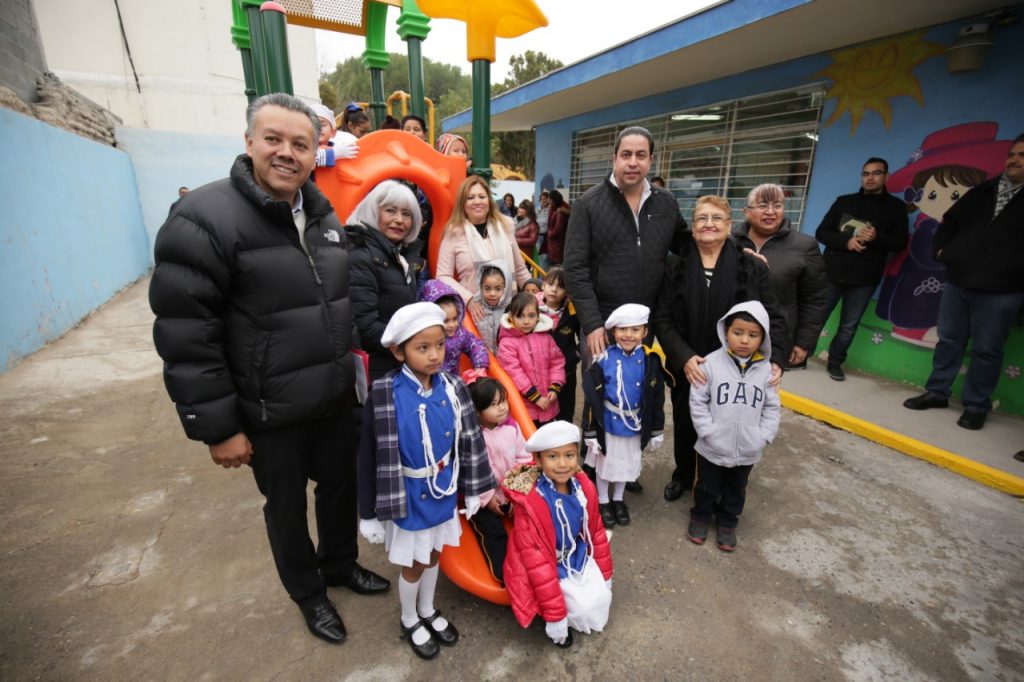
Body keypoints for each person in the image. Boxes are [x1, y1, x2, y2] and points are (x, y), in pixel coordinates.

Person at [149, 93, 389, 645]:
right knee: (285, 509)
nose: (286, 153)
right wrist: (219, 427)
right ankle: (309, 593)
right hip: (268, 409)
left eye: (300, 144)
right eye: (273, 139)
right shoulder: (203, 218)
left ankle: (339, 564)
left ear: (315, 151)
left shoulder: (323, 214)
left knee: (340, 490)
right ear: (249, 142)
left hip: (332, 398)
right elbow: (187, 333)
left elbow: (337, 307)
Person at [357, 302, 494, 660]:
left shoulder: (453, 386)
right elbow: (369, 455)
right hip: (409, 495)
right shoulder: (384, 394)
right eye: (422, 348)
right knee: (414, 562)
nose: (435, 355)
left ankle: (428, 609)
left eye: (440, 345)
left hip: (443, 491)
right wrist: (367, 512)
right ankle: (409, 618)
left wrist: (476, 489)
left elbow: (471, 440)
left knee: (434, 554)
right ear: (398, 351)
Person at [653, 195, 786, 503]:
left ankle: (725, 484)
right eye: (702, 218)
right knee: (687, 421)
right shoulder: (675, 265)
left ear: (729, 225)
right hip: (692, 365)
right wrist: (684, 357)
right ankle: (684, 474)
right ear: (693, 226)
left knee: (731, 424)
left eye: (716, 218)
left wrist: (777, 359)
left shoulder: (751, 266)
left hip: (739, 366)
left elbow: (775, 315)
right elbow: (662, 318)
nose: (708, 224)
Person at [903, 134, 1024, 431]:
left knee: (987, 349)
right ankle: (937, 392)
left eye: (1022, 155)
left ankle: (976, 405)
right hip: (959, 282)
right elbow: (949, 222)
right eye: (1012, 153)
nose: (1014, 159)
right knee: (949, 341)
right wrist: (942, 251)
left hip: (1002, 290)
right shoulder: (984, 190)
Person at [563, 125, 688, 364]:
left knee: (639, 384)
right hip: (603, 324)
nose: (632, 162)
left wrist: (736, 251)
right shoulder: (587, 205)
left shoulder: (666, 203)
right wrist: (592, 324)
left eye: (640, 155)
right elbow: (575, 269)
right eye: (626, 154)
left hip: (644, 323)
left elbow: (688, 245)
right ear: (615, 158)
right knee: (600, 386)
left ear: (650, 160)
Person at [502, 420, 613, 648]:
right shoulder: (531, 504)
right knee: (580, 609)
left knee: (600, 599)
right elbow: (538, 566)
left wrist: (606, 576)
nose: (562, 464)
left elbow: (597, 534)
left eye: (569, 455)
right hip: (545, 564)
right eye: (553, 457)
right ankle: (555, 616)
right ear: (538, 460)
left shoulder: (584, 489)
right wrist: (556, 619)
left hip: (574, 555)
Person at [687, 301, 781, 552]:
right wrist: (707, 431)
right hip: (712, 445)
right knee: (706, 485)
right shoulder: (710, 363)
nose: (744, 340)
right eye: (738, 332)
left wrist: (763, 436)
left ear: (762, 338)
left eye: (753, 335)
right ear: (726, 332)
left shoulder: (767, 371)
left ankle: (728, 522)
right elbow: (698, 400)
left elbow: (772, 407)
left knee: (736, 489)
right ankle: (701, 517)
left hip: (748, 448)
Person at [815, 157, 909, 381]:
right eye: (866, 173)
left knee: (849, 325)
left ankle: (835, 362)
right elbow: (822, 232)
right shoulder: (844, 202)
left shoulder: (896, 208)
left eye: (876, 173)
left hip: (865, 278)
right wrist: (846, 242)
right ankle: (800, 355)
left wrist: (876, 238)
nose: (870, 178)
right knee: (816, 317)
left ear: (886, 176)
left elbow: (899, 243)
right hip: (832, 272)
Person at [581, 304, 666, 528]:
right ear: (613, 331)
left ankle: (618, 499)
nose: (629, 335)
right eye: (623, 329)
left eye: (635, 330)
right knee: (606, 466)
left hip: (634, 425)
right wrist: (590, 431)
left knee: (625, 465)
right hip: (609, 424)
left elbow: (656, 398)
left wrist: (656, 430)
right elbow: (591, 398)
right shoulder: (603, 359)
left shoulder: (650, 361)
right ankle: (603, 501)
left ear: (645, 332)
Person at [733, 184, 828, 370]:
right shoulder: (730, 242)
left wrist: (803, 342)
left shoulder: (804, 246)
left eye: (777, 205)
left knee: (768, 384)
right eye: (762, 205)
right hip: (732, 335)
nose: (770, 212)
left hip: (777, 339)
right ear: (747, 212)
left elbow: (815, 300)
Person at [345, 180, 427, 381]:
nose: (399, 220)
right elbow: (365, 326)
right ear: (374, 212)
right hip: (376, 368)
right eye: (391, 211)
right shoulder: (361, 255)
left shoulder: (398, 254)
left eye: (406, 214)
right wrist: (415, 343)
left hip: (395, 362)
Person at [436, 175, 531, 321]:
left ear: (489, 200)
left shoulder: (505, 227)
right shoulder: (453, 233)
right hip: (475, 314)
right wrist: (468, 299)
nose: (477, 202)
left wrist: (534, 293)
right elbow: (443, 276)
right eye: (470, 198)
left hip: (509, 312)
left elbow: (520, 270)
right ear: (462, 203)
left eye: (482, 196)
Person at [467, 376, 532, 585]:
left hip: (511, 492)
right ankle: (505, 574)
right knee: (493, 530)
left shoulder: (512, 427)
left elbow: (525, 459)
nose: (502, 408)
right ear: (477, 410)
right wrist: (487, 499)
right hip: (483, 497)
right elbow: (470, 472)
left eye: (503, 401)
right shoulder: (472, 437)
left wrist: (515, 495)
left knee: (532, 518)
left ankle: (537, 560)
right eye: (493, 404)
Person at [498, 292, 566, 426]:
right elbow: (514, 372)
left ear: (538, 316)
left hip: (548, 404)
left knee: (547, 436)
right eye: (520, 316)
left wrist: (555, 387)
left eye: (531, 316)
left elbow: (557, 363)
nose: (526, 321)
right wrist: (535, 396)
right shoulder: (507, 343)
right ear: (511, 317)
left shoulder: (546, 338)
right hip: (524, 408)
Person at [420, 279, 490, 376]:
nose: (452, 325)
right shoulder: (425, 337)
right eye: (446, 321)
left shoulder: (460, 334)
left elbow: (475, 345)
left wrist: (480, 365)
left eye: (454, 319)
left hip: (453, 379)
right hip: (431, 379)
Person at [538, 266, 580, 422]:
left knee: (565, 415)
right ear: (543, 285)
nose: (554, 289)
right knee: (542, 416)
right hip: (539, 374)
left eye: (561, 286)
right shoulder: (531, 308)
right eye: (550, 284)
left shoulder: (573, 312)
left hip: (566, 373)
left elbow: (583, 336)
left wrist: (574, 356)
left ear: (567, 291)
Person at [472, 262, 512, 353]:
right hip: (482, 358)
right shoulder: (477, 309)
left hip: (505, 359)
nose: (492, 294)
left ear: (506, 288)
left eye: (498, 289)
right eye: (487, 288)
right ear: (481, 287)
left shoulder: (511, 310)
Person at [543, 190, 569, 265]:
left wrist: (549, 234)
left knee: (556, 265)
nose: (548, 201)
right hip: (553, 244)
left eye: (549, 199)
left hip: (557, 244)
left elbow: (558, 229)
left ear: (553, 200)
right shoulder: (553, 208)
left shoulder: (560, 211)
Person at [536, 189, 551, 269]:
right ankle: (540, 275)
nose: (544, 200)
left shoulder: (551, 209)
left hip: (546, 236)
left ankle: (545, 274)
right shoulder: (537, 209)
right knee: (539, 258)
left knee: (545, 258)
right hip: (538, 236)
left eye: (545, 198)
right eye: (542, 199)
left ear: (549, 199)